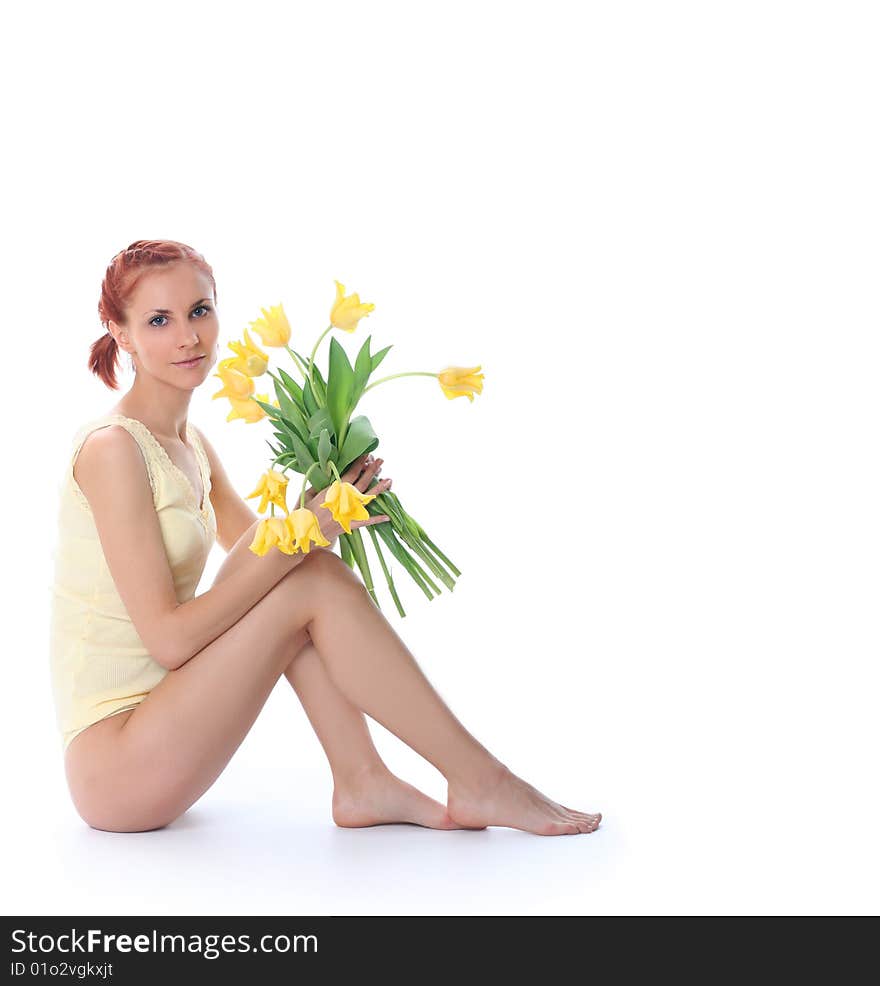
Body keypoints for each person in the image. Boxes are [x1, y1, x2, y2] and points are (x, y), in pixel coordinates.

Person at [51, 238, 602, 836]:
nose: (188, 337)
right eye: (159, 320)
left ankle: (363, 779)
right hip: (118, 764)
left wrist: (332, 493)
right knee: (300, 577)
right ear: (121, 333)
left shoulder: (192, 445)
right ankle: (480, 781)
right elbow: (171, 641)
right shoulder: (113, 451)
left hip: (171, 726)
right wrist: (307, 531)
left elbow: (264, 549)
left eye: (199, 311)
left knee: (303, 574)